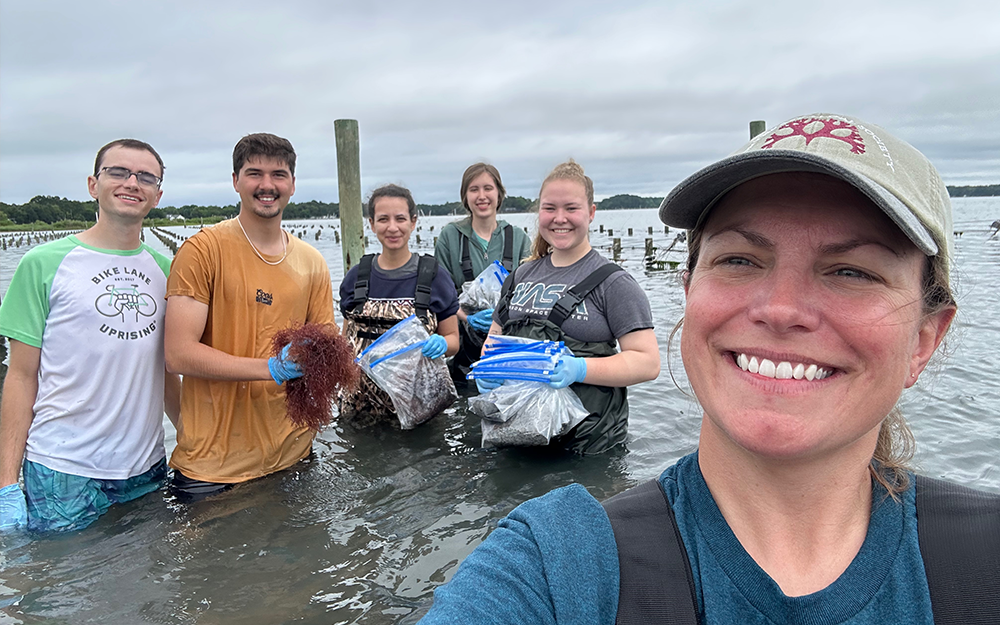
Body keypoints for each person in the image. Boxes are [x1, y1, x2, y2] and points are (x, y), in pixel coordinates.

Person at [417, 114, 1000, 624]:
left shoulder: (982, 558)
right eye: (740, 259)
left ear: (925, 339)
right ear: (689, 290)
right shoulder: (555, 560)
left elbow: (642, 361)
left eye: (852, 271)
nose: (779, 309)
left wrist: (571, 370)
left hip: (587, 446)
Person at [0, 139, 180, 532]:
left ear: (158, 195)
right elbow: (20, 376)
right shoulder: (43, 264)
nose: (132, 183)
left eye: (146, 177)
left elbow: (167, 370)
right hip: (61, 469)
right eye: (118, 172)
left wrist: (194, 440)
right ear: (92, 184)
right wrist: (5, 483)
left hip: (144, 467)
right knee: (60, 586)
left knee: (144, 584)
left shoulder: (169, 270)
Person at [163, 133, 335, 500]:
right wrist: (269, 368)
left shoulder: (313, 263)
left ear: (292, 184)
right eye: (254, 173)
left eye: (279, 174)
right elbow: (178, 353)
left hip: (293, 454)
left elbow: (325, 343)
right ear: (236, 181)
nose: (267, 185)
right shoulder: (202, 250)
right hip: (212, 466)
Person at [478, 160, 660, 455]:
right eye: (549, 208)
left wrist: (579, 368)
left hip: (585, 449)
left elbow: (647, 363)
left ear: (591, 213)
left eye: (571, 208)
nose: (559, 218)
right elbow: (492, 343)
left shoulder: (614, 283)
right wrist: (488, 371)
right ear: (539, 212)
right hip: (516, 436)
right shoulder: (519, 277)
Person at [338, 184, 460, 427]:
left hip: (420, 414)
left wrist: (442, 344)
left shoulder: (435, 276)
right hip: (359, 412)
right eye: (383, 219)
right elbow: (344, 340)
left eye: (400, 218)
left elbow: (453, 340)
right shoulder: (356, 277)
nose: (392, 227)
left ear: (413, 222)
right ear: (371, 224)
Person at [433, 163, 530, 379]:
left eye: (488, 188)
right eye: (474, 189)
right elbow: (441, 295)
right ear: (465, 196)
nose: (482, 196)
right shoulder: (450, 236)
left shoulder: (519, 238)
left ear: (499, 193)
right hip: (463, 345)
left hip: (507, 342)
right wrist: (467, 318)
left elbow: (530, 297)